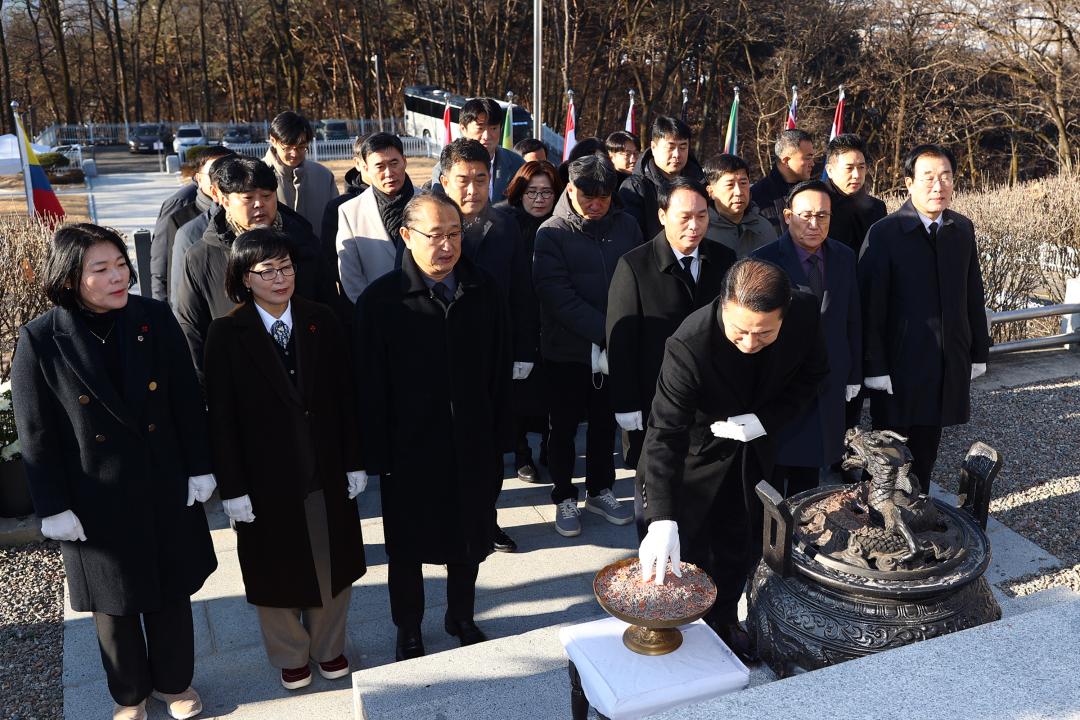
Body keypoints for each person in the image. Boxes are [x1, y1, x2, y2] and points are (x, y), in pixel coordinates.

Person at [11, 224, 217, 720]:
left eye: (121, 264)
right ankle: (129, 695)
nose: (118, 276)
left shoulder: (154, 318)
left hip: (161, 479)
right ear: (69, 279)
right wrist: (53, 506)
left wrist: (200, 467)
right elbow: (35, 431)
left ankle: (174, 685)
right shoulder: (41, 338)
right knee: (114, 603)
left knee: (170, 592)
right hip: (93, 493)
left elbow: (186, 400)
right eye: (100, 269)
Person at [635, 258, 828, 663]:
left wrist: (765, 420)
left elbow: (813, 375)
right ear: (724, 305)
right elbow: (664, 435)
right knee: (682, 558)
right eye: (739, 331)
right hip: (692, 460)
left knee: (739, 547)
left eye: (764, 333)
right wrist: (662, 518)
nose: (749, 343)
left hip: (752, 450)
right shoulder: (689, 344)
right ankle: (676, 635)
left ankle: (724, 621)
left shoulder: (805, 312)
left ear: (785, 313)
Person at [203, 229, 366, 691]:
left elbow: (345, 396)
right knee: (273, 567)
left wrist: (354, 460)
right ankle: (290, 653)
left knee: (332, 560)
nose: (280, 278)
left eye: (287, 267)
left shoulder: (321, 319)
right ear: (244, 277)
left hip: (323, 464)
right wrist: (232, 488)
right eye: (267, 270)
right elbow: (221, 419)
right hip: (263, 476)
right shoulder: (226, 333)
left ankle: (329, 646)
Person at [354, 193, 511, 661]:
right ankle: (409, 629)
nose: (447, 246)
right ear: (406, 236)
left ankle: (461, 616)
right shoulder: (381, 300)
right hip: (410, 448)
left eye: (455, 234)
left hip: (472, 441)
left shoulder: (483, 288)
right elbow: (368, 384)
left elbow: (498, 368)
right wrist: (376, 452)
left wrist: (500, 435)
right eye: (435, 235)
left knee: (471, 537)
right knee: (407, 548)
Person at [859, 144, 990, 489]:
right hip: (899, 365)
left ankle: (918, 508)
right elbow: (871, 307)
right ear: (909, 182)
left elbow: (972, 295)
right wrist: (875, 366)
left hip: (942, 363)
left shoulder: (961, 229)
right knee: (887, 456)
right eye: (928, 177)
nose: (938, 186)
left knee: (926, 451)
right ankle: (877, 514)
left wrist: (978, 351)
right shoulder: (885, 233)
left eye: (945, 176)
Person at [438, 138, 538, 553]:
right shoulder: (427, 222)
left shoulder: (504, 224)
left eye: (481, 179)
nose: (472, 189)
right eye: (463, 179)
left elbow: (521, 291)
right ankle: (449, 519)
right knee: (447, 446)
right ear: (445, 181)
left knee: (491, 447)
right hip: (443, 355)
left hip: (493, 354)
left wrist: (524, 350)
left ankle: (486, 518)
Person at [534, 154, 640, 537]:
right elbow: (557, 296)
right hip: (567, 350)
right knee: (562, 427)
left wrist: (622, 334)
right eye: (587, 196)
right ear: (570, 189)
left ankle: (600, 489)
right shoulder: (551, 232)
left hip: (614, 349)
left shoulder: (627, 226)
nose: (596, 204)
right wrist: (607, 331)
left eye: (603, 197)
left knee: (603, 423)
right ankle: (564, 494)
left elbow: (638, 278)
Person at [606, 177, 735, 478]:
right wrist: (625, 403)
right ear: (662, 216)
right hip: (655, 397)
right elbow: (621, 342)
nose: (694, 226)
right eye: (685, 217)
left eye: (702, 216)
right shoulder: (634, 266)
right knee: (656, 481)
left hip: (710, 397)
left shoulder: (724, 258)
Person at [174, 156, 328, 381]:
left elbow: (328, 308)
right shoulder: (201, 256)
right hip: (236, 380)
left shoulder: (304, 241)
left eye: (267, 196)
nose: (259, 204)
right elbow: (192, 329)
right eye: (248, 198)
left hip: (306, 377)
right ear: (224, 200)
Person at [752, 180, 861, 497]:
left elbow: (852, 318)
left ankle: (803, 524)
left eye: (823, 216)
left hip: (828, 379)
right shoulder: (763, 261)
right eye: (806, 215)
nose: (815, 224)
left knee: (809, 477)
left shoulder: (843, 256)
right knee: (773, 474)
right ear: (788, 216)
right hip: (781, 384)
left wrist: (853, 373)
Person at [495, 160, 563, 481]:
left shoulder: (563, 226)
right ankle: (522, 453)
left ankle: (550, 446)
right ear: (518, 193)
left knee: (553, 391)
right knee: (520, 393)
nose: (539, 199)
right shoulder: (504, 226)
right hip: (518, 320)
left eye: (546, 192)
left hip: (555, 321)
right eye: (531, 192)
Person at [822, 133, 886, 444]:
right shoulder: (818, 203)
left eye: (861, 167)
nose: (856, 175)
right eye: (849, 168)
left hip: (865, 302)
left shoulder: (875, 207)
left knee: (855, 385)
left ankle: (850, 446)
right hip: (827, 303)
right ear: (830, 169)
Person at [336, 132, 416, 303]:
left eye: (394, 163)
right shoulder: (350, 211)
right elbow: (350, 273)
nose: (389, 173)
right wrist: (369, 307)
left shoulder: (430, 202)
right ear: (366, 169)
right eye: (379, 166)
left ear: (404, 161)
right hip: (376, 306)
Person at [151, 146, 235, 302]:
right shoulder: (180, 208)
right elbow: (162, 270)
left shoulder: (251, 210)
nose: (223, 179)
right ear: (198, 179)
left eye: (229, 171)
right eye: (214, 173)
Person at [619, 116, 706, 241]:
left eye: (683, 147)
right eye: (670, 147)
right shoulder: (636, 187)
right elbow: (631, 236)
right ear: (654, 147)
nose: (677, 155)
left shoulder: (701, 182)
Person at [430, 97, 524, 201]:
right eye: (480, 128)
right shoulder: (444, 168)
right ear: (463, 128)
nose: (486, 136)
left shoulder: (517, 164)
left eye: (493, 128)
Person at [263, 111, 339, 239]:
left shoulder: (323, 176)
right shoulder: (257, 176)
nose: (294, 154)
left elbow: (336, 221)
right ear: (273, 140)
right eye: (288, 147)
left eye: (301, 147)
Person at [704, 154, 776, 258]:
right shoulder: (701, 230)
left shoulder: (764, 227)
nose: (738, 192)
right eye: (730, 185)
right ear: (711, 191)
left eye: (743, 183)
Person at [750, 129, 815, 236]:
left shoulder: (814, 193)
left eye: (812, 157)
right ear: (786, 161)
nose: (812, 164)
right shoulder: (756, 196)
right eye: (808, 158)